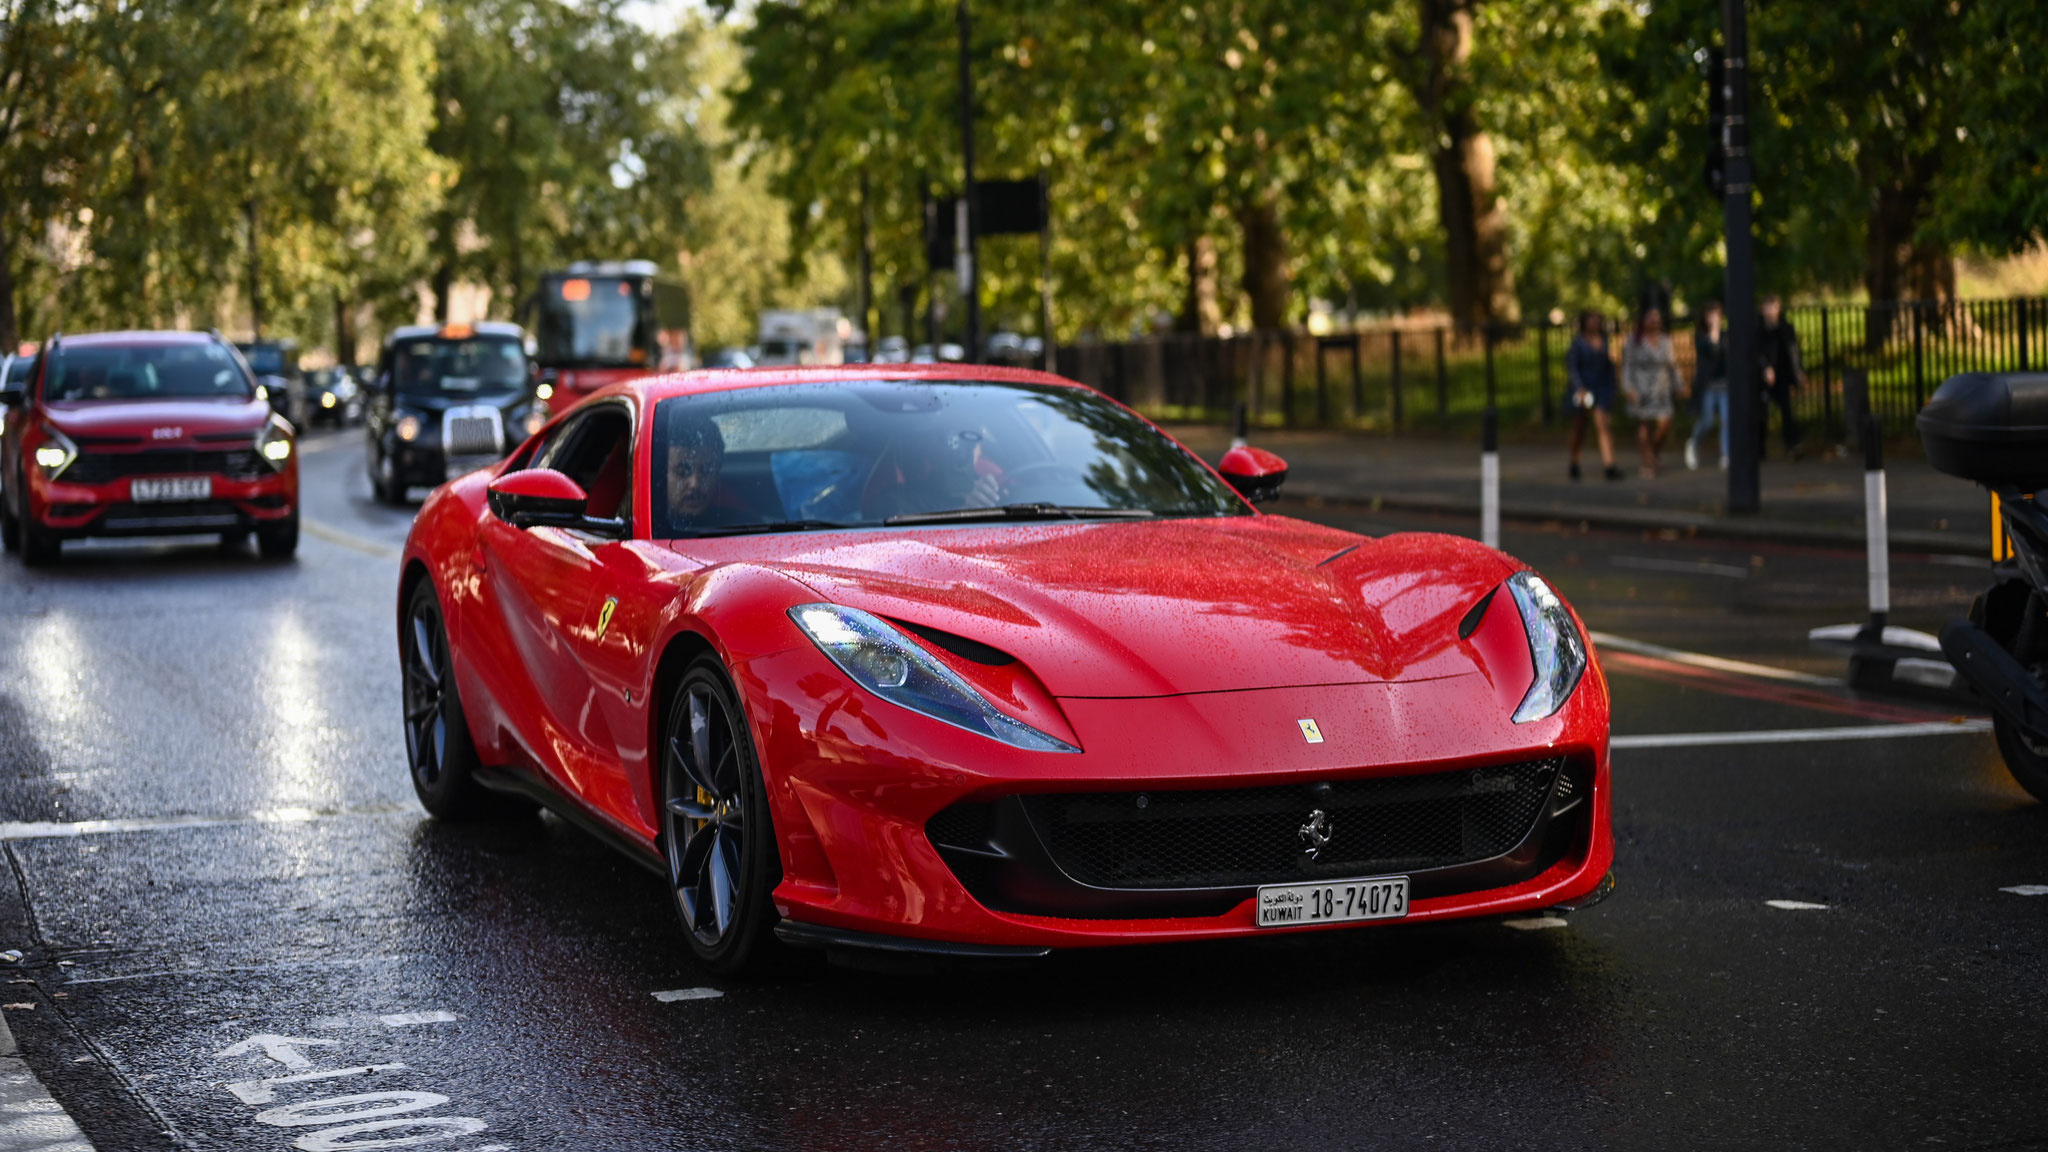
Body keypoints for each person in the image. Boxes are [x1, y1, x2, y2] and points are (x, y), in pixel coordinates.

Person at [1622, 307, 1683, 478]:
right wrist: (1628, 388)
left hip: (1661, 388)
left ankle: (1653, 453)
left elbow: (1673, 365)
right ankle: (1647, 461)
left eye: (1657, 319)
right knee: (1644, 425)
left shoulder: (1665, 341)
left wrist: (1679, 384)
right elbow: (1627, 366)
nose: (1654, 323)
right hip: (1642, 387)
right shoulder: (1634, 341)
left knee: (1665, 423)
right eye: (1651, 319)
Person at [1565, 312, 1622, 482]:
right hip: (1584, 387)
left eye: (1598, 321)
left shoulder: (1604, 341)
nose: (1595, 324)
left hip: (1602, 387)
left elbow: (1609, 366)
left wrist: (1614, 386)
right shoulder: (1578, 343)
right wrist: (1579, 388)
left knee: (1603, 425)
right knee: (1580, 428)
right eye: (1592, 321)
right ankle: (1574, 461)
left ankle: (1609, 465)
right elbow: (1572, 367)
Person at [1757, 294, 1805, 459]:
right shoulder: (1758, 330)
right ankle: (1759, 449)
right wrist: (1765, 368)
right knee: (1761, 413)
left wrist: (1798, 371)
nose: (1770, 311)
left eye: (1773, 307)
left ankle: (1792, 445)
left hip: (1782, 376)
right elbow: (1756, 353)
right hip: (1763, 379)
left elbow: (1793, 352)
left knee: (1787, 411)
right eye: (1767, 307)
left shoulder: (1786, 328)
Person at [1685, 301, 1728, 471]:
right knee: (1707, 421)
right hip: (1708, 385)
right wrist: (1713, 333)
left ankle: (1726, 454)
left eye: (1716, 314)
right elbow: (1712, 352)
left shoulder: (1726, 335)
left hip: (1725, 384)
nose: (1714, 318)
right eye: (1710, 315)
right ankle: (1693, 443)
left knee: (1726, 420)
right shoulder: (1701, 336)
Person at [666, 415, 727, 521]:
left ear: (717, 474)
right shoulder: (641, 523)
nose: (695, 484)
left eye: (706, 471)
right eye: (682, 472)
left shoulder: (740, 524)